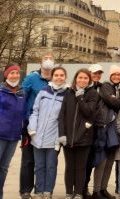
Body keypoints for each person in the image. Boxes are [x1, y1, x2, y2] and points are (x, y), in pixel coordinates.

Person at [0, 64, 26, 199]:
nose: (15, 75)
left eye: (17, 73)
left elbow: (23, 114)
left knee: (3, 168)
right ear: (6, 74)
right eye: (12, 73)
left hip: (13, 136)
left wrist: (23, 131)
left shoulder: (21, 92)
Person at [28, 66, 69, 199]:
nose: (59, 77)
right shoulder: (43, 92)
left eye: (61, 75)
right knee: (39, 166)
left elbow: (65, 118)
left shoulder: (67, 94)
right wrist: (32, 129)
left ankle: (48, 192)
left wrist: (59, 138)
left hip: (54, 139)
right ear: (52, 76)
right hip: (37, 136)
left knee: (51, 166)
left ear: (65, 77)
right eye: (56, 75)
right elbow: (35, 111)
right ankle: (39, 191)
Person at [58, 68, 99, 199]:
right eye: (80, 77)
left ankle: (79, 193)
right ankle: (69, 192)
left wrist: (81, 97)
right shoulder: (68, 93)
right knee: (69, 167)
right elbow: (62, 115)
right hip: (68, 137)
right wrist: (62, 134)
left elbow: (88, 112)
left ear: (89, 80)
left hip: (84, 137)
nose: (82, 80)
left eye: (85, 78)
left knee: (81, 167)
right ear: (76, 78)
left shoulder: (93, 94)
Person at [21, 53, 55, 199]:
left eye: (51, 59)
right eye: (45, 58)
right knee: (29, 160)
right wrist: (25, 121)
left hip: (50, 129)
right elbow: (22, 97)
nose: (48, 61)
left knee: (47, 162)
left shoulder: (56, 79)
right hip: (31, 126)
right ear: (40, 62)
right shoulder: (31, 78)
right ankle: (26, 190)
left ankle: (43, 190)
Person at [92, 65, 120, 199]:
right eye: (114, 74)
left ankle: (103, 188)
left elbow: (119, 102)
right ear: (110, 75)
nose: (117, 76)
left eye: (119, 75)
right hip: (105, 127)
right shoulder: (106, 86)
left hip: (115, 129)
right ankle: (96, 191)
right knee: (102, 160)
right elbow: (112, 102)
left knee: (110, 161)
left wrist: (117, 101)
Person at [83, 64, 105, 199]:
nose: (96, 75)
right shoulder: (85, 88)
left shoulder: (102, 88)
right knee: (84, 161)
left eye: (99, 73)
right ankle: (82, 188)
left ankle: (88, 188)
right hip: (86, 128)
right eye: (94, 73)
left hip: (98, 128)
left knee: (91, 161)